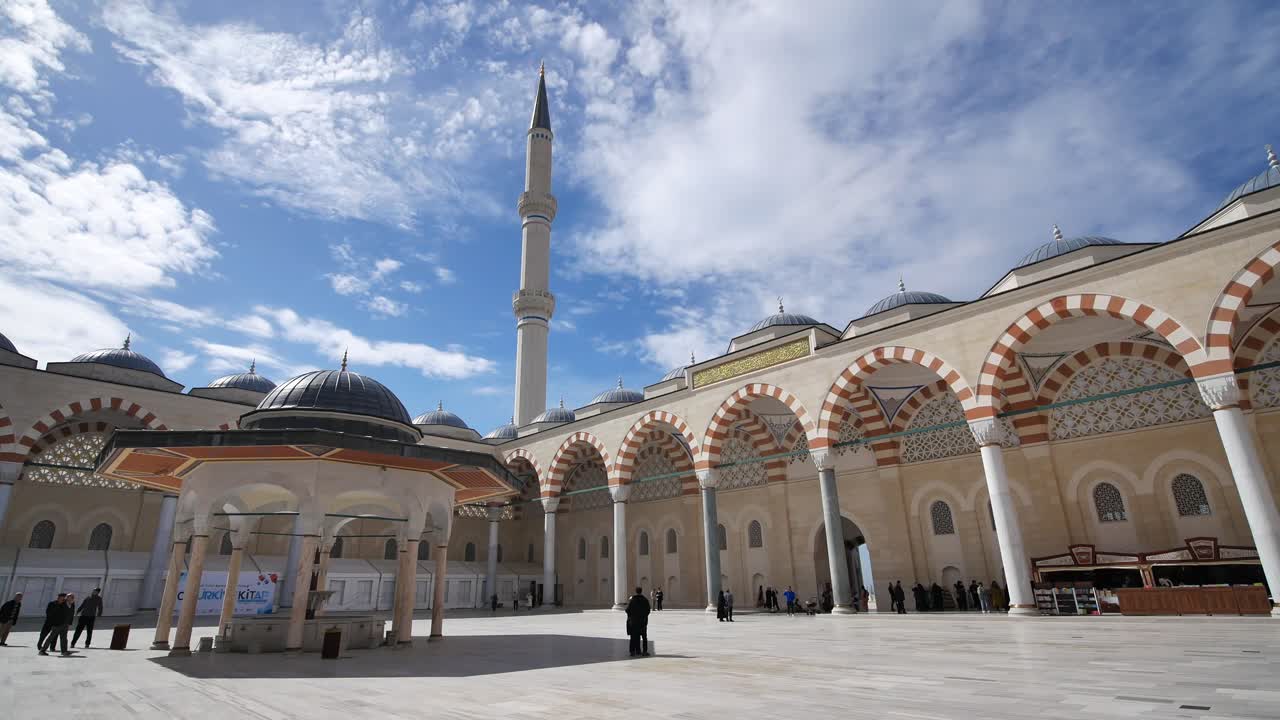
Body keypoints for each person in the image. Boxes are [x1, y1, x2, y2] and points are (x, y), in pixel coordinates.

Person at [625, 586, 650, 657]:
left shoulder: (632, 600)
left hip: (634, 622)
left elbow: (627, 610)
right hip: (643, 622)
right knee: (644, 637)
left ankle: (632, 651)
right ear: (641, 591)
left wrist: (631, 616)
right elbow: (648, 610)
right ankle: (644, 651)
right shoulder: (645, 600)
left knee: (633, 637)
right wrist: (644, 616)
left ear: (636, 591)